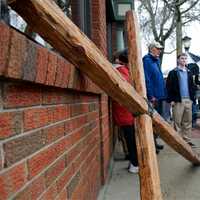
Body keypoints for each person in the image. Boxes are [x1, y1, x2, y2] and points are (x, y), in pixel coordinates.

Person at [112, 49, 138, 173]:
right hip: (125, 110)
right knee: (130, 139)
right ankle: (134, 162)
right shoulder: (122, 71)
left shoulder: (120, 70)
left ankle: (134, 163)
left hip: (124, 110)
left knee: (130, 139)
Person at [166, 53, 196, 147]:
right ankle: (178, 141)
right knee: (177, 121)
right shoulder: (173, 72)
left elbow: (192, 86)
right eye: (182, 58)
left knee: (188, 121)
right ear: (178, 60)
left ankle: (187, 140)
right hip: (177, 100)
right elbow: (168, 87)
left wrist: (192, 99)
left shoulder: (189, 72)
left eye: (185, 59)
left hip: (188, 100)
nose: (184, 60)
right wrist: (171, 99)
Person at [142, 41, 167, 153]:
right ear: (152, 49)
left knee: (157, 121)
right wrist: (151, 95)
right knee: (153, 121)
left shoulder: (156, 60)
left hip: (160, 96)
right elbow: (147, 79)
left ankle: (155, 142)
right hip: (154, 97)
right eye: (158, 48)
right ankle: (152, 145)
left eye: (160, 48)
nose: (160, 50)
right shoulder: (147, 60)